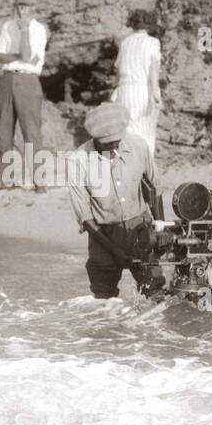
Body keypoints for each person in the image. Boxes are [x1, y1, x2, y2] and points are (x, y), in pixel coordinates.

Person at [67, 102, 158, 299]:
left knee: (155, 293)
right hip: (102, 236)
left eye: (118, 140)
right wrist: (114, 250)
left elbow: (154, 187)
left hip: (141, 231)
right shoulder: (78, 161)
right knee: (104, 301)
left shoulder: (138, 146)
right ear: (95, 138)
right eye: (108, 143)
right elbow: (85, 217)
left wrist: (159, 226)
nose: (115, 146)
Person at [0, 0, 48, 192]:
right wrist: (16, 56)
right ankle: (6, 180)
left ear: (33, 9)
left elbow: (27, 55)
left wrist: (24, 30)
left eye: (27, 7)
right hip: (7, 79)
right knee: (4, 132)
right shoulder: (7, 26)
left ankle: (39, 183)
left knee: (31, 133)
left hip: (28, 81)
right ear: (15, 7)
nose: (22, 11)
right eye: (19, 6)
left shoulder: (38, 30)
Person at [110, 8, 162, 156]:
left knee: (126, 134)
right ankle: (144, 174)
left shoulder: (125, 43)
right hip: (143, 90)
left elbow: (118, 71)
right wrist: (156, 95)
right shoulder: (153, 42)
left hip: (124, 91)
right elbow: (153, 71)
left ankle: (126, 171)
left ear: (132, 25)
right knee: (146, 135)